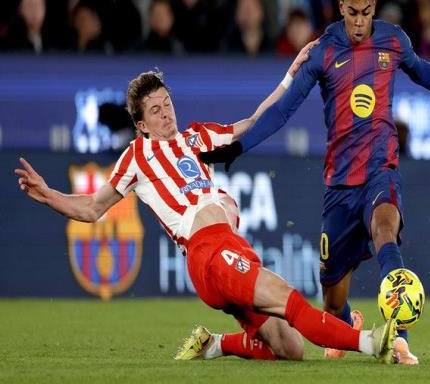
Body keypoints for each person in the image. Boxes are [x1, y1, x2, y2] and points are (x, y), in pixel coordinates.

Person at [14, 42, 397, 363]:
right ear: (141, 125)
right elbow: (91, 208)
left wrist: (290, 74)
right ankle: (370, 342)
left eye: (167, 104)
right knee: (289, 300)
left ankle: (214, 344)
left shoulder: (196, 138)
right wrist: (48, 195)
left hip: (228, 248)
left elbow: (252, 122)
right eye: (155, 111)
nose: (166, 114)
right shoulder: (136, 156)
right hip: (209, 254)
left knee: (290, 348)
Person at [198, 0, 430, 365]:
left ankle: (399, 338)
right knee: (332, 301)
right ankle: (349, 326)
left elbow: (421, 70)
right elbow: (284, 110)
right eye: (352, 12)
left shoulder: (393, 39)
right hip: (340, 185)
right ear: (341, 6)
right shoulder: (323, 51)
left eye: (366, 12)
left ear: (374, 6)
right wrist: (238, 147)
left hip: (381, 169)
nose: (360, 22)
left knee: (385, 228)